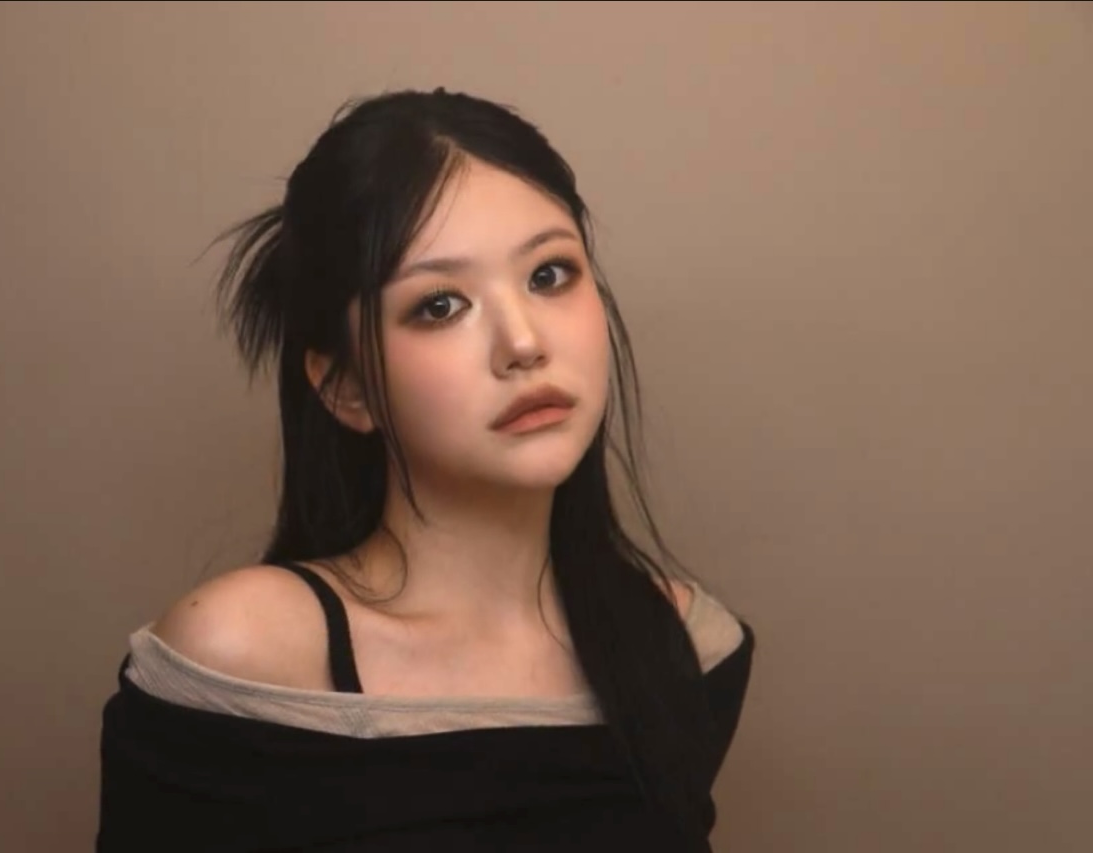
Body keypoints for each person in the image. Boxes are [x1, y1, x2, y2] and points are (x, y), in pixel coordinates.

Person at [96, 87, 755, 852]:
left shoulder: (684, 647)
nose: (522, 342)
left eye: (549, 274)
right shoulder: (243, 652)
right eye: (440, 305)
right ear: (346, 387)